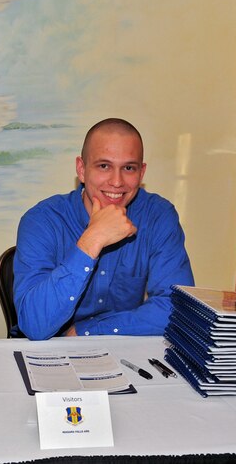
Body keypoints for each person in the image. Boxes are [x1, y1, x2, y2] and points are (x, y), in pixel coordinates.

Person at [14, 118, 194, 340]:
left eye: (128, 168)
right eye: (104, 166)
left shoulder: (158, 216)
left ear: (141, 173)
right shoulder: (42, 221)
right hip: (51, 350)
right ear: (81, 169)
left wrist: (89, 330)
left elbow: (176, 308)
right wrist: (92, 241)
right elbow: (34, 325)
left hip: (123, 351)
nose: (117, 182)